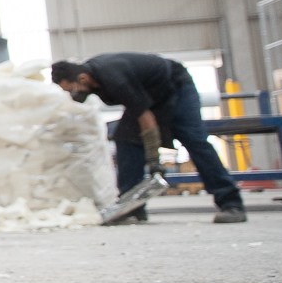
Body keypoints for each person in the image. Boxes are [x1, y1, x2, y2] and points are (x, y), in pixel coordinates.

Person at [51, 54, 246, 224]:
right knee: (126, 139)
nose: (73, 94)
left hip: (176, 87)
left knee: (194, 139)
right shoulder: (94, 77)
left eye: (72, 89)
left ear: (82, 78)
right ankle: (132, 207)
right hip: (152, 96)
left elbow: (146, 117)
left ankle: (231, 203)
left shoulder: (113, 78)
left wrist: (154, 159)